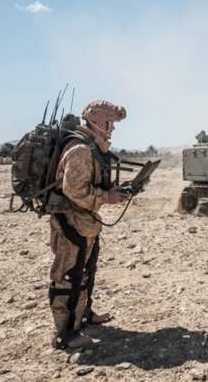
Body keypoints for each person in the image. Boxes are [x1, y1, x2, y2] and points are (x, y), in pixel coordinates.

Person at [48, 100, 129, 349]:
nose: (111, 129)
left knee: (85, 273)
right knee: (68, 277)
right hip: (71, 223)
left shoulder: (92, 148)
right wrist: (107, 197)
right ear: (96, 122)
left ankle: (83, 316)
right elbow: (75, 191)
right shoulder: (81, 149)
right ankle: (64, 335)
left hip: (86, 223)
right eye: (108, 123)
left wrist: (112, 191)